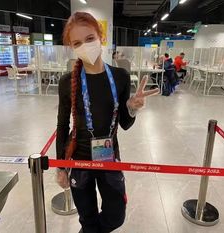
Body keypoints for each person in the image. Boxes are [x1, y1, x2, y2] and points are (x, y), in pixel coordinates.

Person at [56, 12, 159, 233]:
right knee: (87, 217)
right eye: (77, 43)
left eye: (90, 38)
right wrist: (61, 167)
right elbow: (62, 126)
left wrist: (132, 107)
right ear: (72, 48)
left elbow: (124, 123)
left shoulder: (120, 76)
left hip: (109, 156)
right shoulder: (67, 82)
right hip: (79, 160)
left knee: (116, 216)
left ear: (101, 37)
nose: (85, 45)